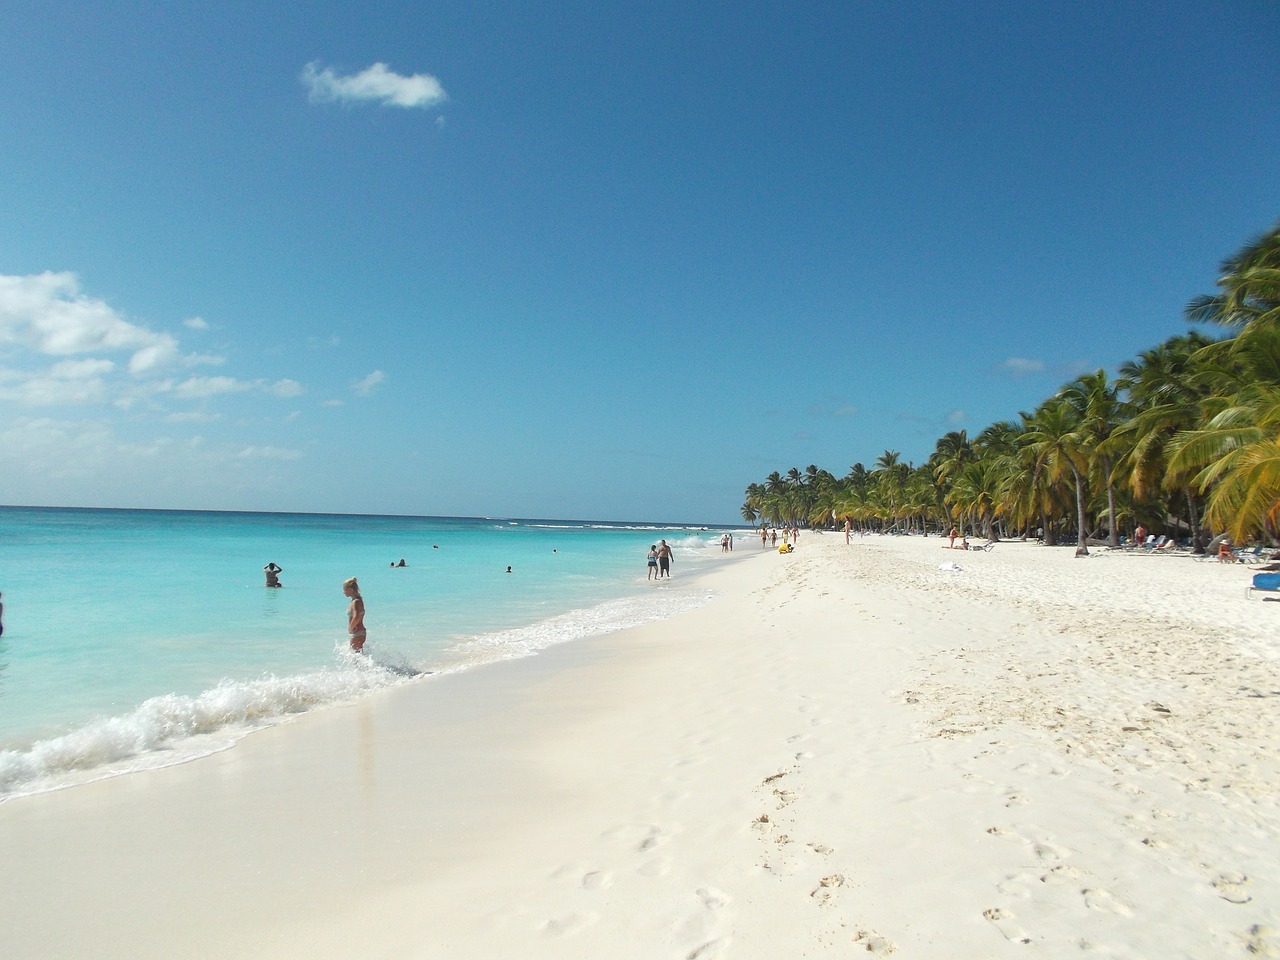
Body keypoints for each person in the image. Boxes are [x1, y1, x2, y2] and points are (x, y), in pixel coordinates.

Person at [343, 577, 366, 653]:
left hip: (356, 632)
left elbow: (356, 617)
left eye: (345, 590)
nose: (344, 592)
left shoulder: (355, 602)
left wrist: (350, 628)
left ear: (350, 590)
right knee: (359, 655)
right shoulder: (359, 600)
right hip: (361, 631)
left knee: (355, 657)